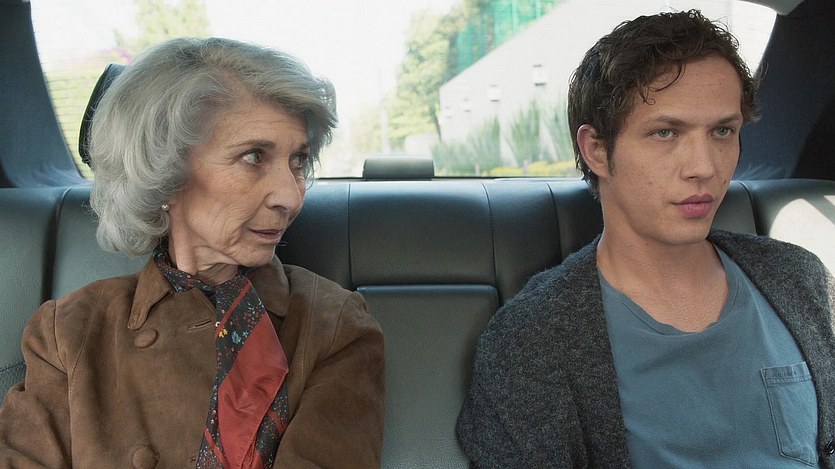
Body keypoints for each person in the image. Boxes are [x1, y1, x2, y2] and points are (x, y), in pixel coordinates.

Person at [457, 9, 835, 468]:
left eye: (722, 131)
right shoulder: (531, 341)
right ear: (597, 150)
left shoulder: (800, 279)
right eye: (665, 133)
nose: (704, 166)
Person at [0, 37, 385, 468]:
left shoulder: (332, 324)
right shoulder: (68, 332)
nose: (291, 196)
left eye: (298, 161)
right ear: (164, 173)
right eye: (253, 156)